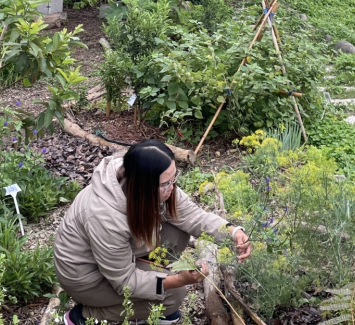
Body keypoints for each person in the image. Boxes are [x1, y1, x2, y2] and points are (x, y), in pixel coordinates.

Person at [54, 139, 252, 325]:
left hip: (110, 260)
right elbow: (124, 281)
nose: (172, 187)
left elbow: (193, 216)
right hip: (86, 277)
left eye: (174, 178)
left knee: (177, 233)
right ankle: (84, 315)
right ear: (143, 187)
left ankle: (149, 292)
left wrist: (233, 232)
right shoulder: (103, 216)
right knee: (174, 296)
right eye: (166, 183)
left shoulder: (140, 181)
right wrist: (177, 280)